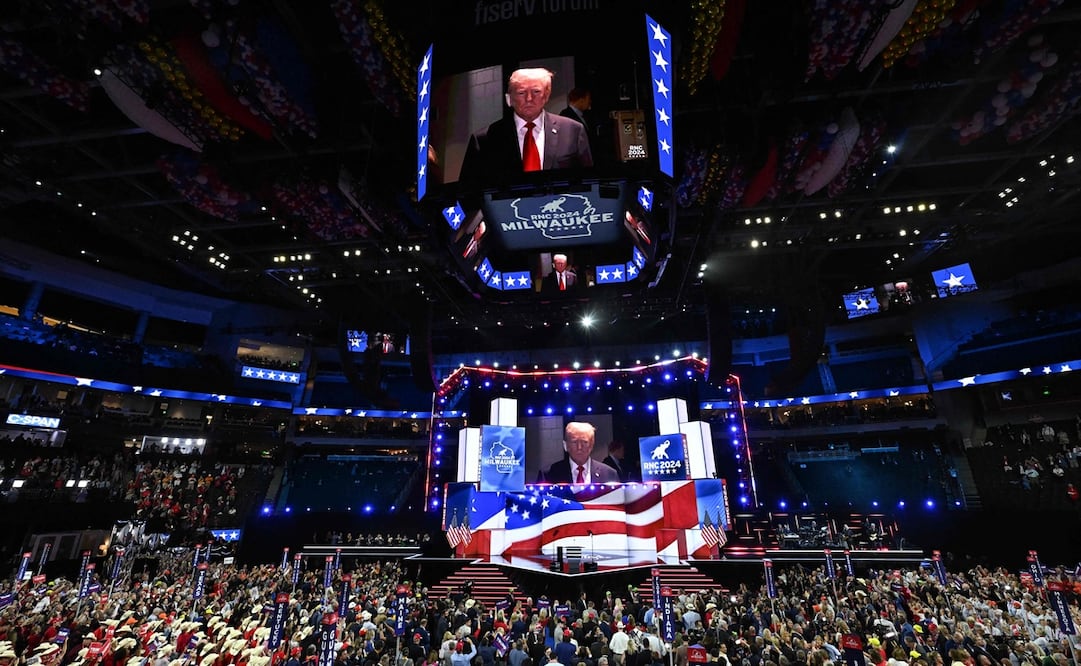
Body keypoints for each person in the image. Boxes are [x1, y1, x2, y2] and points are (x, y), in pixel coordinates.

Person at [459, 68, 593, 186]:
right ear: (510, 98)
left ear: (546, 95)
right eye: (521, 93)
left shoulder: (572, 131)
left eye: (536, 91)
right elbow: (467, 190)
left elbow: (589, 183)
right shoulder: (485, 139)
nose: (529, 98)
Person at [543, 422, 620, 484]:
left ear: (592, 445)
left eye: (584, 442)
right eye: (574, 442)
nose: (579, 447)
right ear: (565, 445)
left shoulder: (609, 474)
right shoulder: (549, 474)